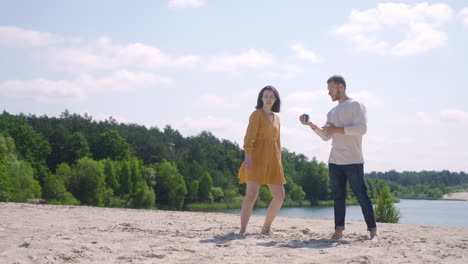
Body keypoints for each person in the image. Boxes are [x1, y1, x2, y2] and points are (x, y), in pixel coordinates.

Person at [299, 75, 378, 240]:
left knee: (362, 196)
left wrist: (337, 129)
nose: (329, 93)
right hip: (334, 161)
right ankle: (338, 231)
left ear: (341, 87)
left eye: (331, 89)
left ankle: (373, 232)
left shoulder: (356, 105)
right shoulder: (332, 112)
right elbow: (326, 136)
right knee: (338, 198)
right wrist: (311, 125)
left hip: (353, 160)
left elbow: (361, 129)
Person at [238, 85, 286, 236]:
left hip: (273, 160)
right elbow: (249, 137)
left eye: (272, 96)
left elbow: (278, 142)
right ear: (261, 98)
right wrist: (248, 157)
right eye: (266, 96)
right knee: (251, 195)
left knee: (280, 195)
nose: (269, 99)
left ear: (276, 99)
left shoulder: (277, 118)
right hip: (256, 157)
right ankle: (242, 230)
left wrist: (279, 161)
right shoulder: (256, 115)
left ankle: (266, 228)